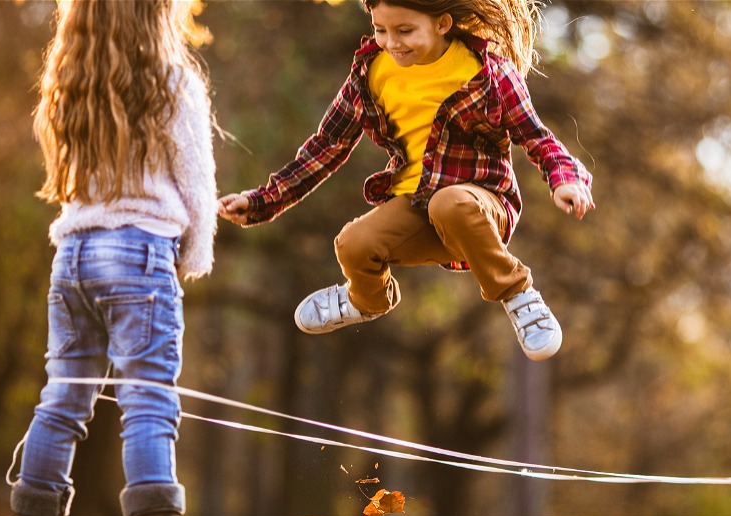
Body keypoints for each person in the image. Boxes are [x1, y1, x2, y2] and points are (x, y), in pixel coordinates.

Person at [218, 0, 593, 361]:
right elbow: (327, 146)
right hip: (415, 204)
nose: (392, 42)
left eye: (405, 30)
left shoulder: (487, 73)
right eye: (380, 30)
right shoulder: (372, 73)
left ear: (442, 23)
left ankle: (518, 294)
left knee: (450, 203)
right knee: (353, 244)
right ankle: (366, 299)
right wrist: (261, 201)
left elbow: (538, 138)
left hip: (480, 206)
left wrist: (566, 180)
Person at [9, 1, 216, 516]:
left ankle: (32, 508)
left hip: (74, 255)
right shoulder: (173, 81)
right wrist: (194, 255)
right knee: (148, 404)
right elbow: (196, 183)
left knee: (61, 402)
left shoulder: (72, 80)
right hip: (141, 254)